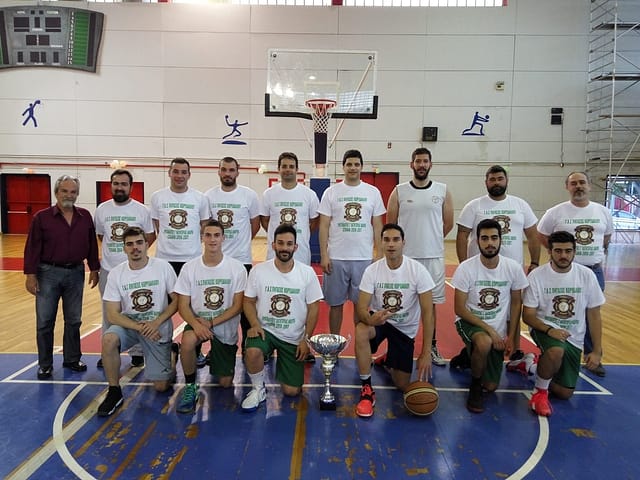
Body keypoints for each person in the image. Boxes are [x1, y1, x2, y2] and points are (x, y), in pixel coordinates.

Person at [454, 164, 540, 367]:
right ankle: (472, 349)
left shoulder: (520, 205)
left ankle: (514, 351)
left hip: (511, 270)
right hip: (480, 271)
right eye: (492, 179)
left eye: (500, 178)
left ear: (506, 181)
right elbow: (462, 235)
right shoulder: (474, 206)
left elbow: (533, 235)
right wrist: (464, 264)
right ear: (486, 182)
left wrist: (535, 262)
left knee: (512, 312)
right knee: (481, 310)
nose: (496, 182)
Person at [354, 223, 435, 418]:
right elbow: (361, 309)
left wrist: (426, 352)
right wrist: (371, 319)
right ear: (381, 243)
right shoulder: (372, 270)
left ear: (403, 243)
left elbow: (428, 313)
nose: (391, 244)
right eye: (387, 240)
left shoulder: (418, 270)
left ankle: (388, 360)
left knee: (402, 385)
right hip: (381, 323)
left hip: (404, 329)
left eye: (396, 239)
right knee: (361, 330)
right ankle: (366, 388)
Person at [24, 175, 100, 380]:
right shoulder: (41, 218)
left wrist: (94, 268)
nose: (69, 195)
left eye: (73, 192)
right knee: (45, 321)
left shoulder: (85, 216)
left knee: (74, 320)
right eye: (65, 191)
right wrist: (30, 275)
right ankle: (45, 364)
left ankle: (72, 359)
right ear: (56, 193)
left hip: (76, 273)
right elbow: (32, 248)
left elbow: (91, 244)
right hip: (47, 273)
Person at [537, 171, 613, 377]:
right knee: (563, 312)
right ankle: (557, 350)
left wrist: (593, 256)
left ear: (589, 185)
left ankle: (593, 355)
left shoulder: (603, 212)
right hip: (565, 272)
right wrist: (558, 254)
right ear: (567, 187)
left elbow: (606, 238)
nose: (578, 186)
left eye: (582, 182)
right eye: (574, 183)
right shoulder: (555, 212)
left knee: (591, 314)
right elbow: (542, 235)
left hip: (593, 271)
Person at [241, 224, 323, 412]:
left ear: (295, 247)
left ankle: (284, 367)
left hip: (293, 336)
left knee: (292, 391)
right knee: (253, 351)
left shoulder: (307, 273)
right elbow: (248, 301)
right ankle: (258, 389)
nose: (284, 247)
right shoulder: (259, 271)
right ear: (273, 245)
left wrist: (306, 339)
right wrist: (254, 324)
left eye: (289, 244)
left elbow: (314, 308)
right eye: (280, 243)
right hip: (266, 331)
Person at [522, 231, 605, 417]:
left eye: (568, 251)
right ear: (549, 252)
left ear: (574, 251)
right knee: (556, 350)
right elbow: (527, 315)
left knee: (564, 393)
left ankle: (530, 366)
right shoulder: (537, 276)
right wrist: (549, 330)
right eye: (558, 251)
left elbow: (594, 315)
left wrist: (597, 350)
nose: (563, 255)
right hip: (544, 328)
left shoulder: (587, 275)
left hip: (574, 336)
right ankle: (539, 393)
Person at [98, 227, 179, 417]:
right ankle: (114, 391)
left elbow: (177, 301)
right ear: (124, 248)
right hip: (131, 326)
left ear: (146, 244)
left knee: (161, 386)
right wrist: (139, 327)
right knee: (108, 339)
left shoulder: (162, 267)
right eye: (130, 244)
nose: (135, 247)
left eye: (139, 242)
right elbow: (112, 314)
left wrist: (156, 323)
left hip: (157, 327)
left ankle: (172, 353)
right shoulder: (116, 273)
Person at [450, 219, 529, 413]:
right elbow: (460, 309)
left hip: (497, 328)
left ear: (501, 240)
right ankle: (475, 387)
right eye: (484, 238)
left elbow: (516, 304)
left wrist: (511, 337)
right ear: (477, 241)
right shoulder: (466, 268)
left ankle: (468, 356)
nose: (490, 243)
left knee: (492, 386)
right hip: (469, 321)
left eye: (494, 238)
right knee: (484, 342)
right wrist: (491, 331)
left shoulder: (513, 268)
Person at [386, 147, 453, 367]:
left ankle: (431, 346)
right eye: (418, 161)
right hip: (406, 258)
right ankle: (395, 346)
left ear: (430, 164)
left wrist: (431, 239)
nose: (421, 165)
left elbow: (448, 223)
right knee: (400, 302)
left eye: (425, 161)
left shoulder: (443, 190)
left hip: (432, 257)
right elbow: (391, 224)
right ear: (411, 164)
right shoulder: (399, 191)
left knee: (430, 306)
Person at [173, 220, 247, 414]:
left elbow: (238, 306)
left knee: (225, 383)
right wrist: (197, 325)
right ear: (202, 238)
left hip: (223, 326)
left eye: (216, 235)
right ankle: (190, 386)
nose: (212, 239)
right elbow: (183, 305)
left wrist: (211, 323)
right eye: (208, 235)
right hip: (198, 322)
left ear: (223, 238)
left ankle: (215, 354)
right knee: (187, 341)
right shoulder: (189, 268)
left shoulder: (237, 268)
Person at [318, 149, 386, 337]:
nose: (353, 167)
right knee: (335, 305)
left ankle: (360, 344)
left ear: (361, 167)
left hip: (363, 258)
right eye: (349, 164)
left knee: (361, 306)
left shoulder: (372, 192)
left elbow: (378, 225)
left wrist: (379, 254)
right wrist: (324, 255)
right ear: (343, 167)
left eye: (356, 164)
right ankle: (334, 342)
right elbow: (323, 225)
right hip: (336, 258)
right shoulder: (331, 192)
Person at [151, 157, 210, 366]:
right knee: (163, 308)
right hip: (164, 261)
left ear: (189, 175)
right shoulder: (157, 197)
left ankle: (196, 350)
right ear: (169, 173)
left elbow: (204, 225)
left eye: (183, 172)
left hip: (191, 260)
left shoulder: (200, 198)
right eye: (175, 171)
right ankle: (164, 348)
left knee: (195, 309)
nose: (179, 175)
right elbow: (157, 225)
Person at [94, 169, 156, 369]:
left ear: (130, 187)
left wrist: (136, 256)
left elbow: (149, 236)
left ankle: (137, 352)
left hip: (135, 271)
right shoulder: (102, 209)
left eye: (123, 184)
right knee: (109, 313)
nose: (119, 187)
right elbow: (101, 236)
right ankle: (108, 351)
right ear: (111, 185)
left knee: (136, 310)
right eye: (116, 183)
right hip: (109, 270)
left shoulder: (141, 210)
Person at [204, 156, 260, 354]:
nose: (227, 173)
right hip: (216, 262)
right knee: (216, 304)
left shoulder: (249, 195)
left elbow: (255, 224)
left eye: (231, 170)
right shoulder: (208, 196)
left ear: (237, 172)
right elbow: (206, 225)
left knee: (245, 306)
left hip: (242, 260)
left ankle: (247, 346)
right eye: (224, 170)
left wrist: (242, 242)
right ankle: (215, 348)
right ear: (219, 171)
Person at [261, 152, 320, 266]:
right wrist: (277, 232)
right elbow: (264, 220)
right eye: (284, 166)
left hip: (301, 254)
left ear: (297, 169)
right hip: (275, 254)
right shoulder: (268, 194)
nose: (287, 169)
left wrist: (303, 232)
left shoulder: (309, 194)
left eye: (291, 166)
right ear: (278, 169)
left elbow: (315, 222)